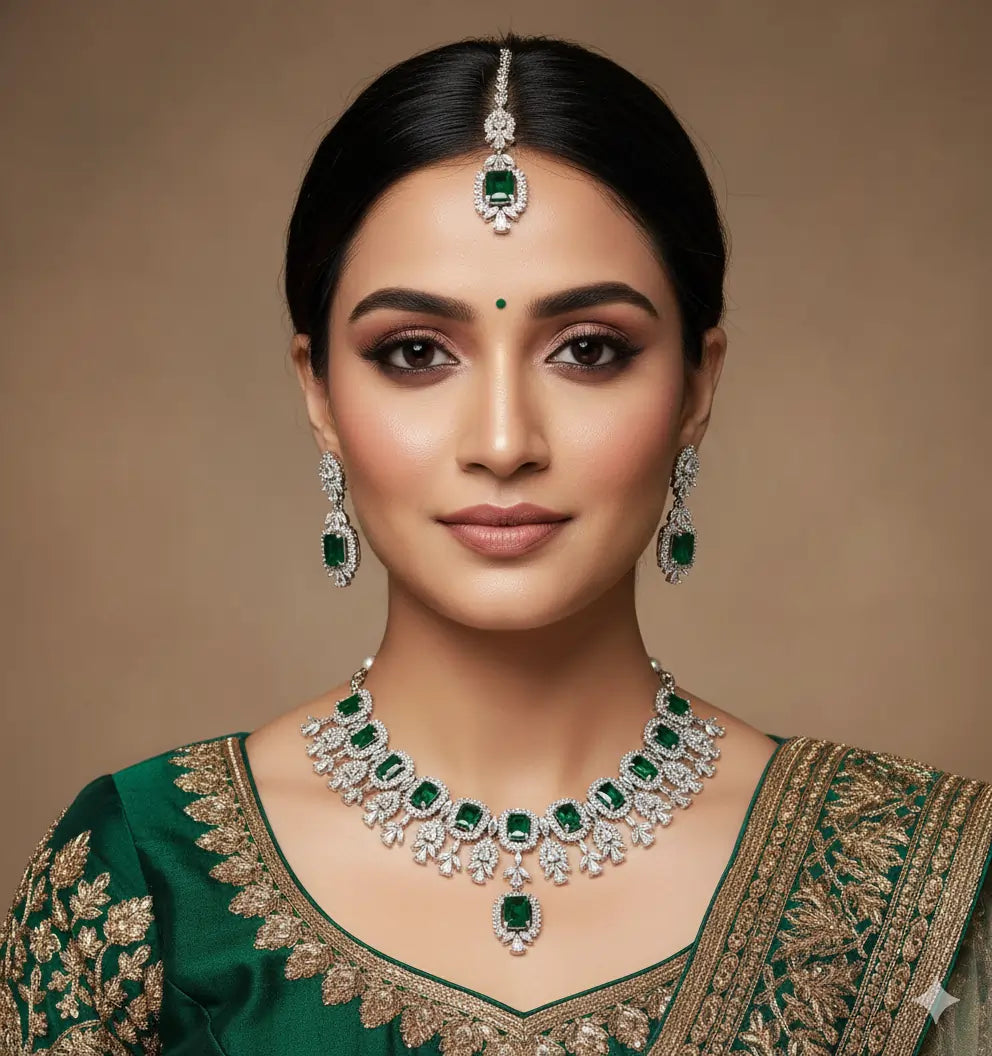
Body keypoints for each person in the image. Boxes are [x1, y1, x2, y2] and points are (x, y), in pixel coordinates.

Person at [1, 31, 989, 1056]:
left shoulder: (916, 878)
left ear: (696, 386)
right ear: (319, 394)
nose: (505, 442)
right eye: (416, 354)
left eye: (588, 351)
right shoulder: (149, 875)